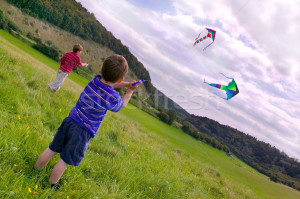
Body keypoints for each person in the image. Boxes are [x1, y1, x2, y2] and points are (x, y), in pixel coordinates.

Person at [35, 54, 139, 189]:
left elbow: (110, 81)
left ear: (101, 69)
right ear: (120, 78)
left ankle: (35, 170)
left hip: (70, 120)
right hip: (83, 131)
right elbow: (122, 105)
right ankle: (51, 185)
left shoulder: (94, 80)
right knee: (64, 160)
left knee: (52, 148)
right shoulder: (112, 97)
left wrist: (125, 84)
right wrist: (129, 90)